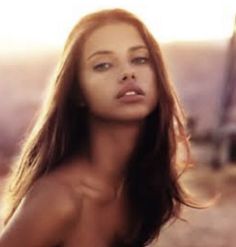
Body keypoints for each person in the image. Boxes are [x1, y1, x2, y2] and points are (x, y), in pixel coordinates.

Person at [0, 8, 197, 247]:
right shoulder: (59, 198)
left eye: (140, 59)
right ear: (77, 92)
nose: (128, 72)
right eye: (103, 65)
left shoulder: (139, 183)